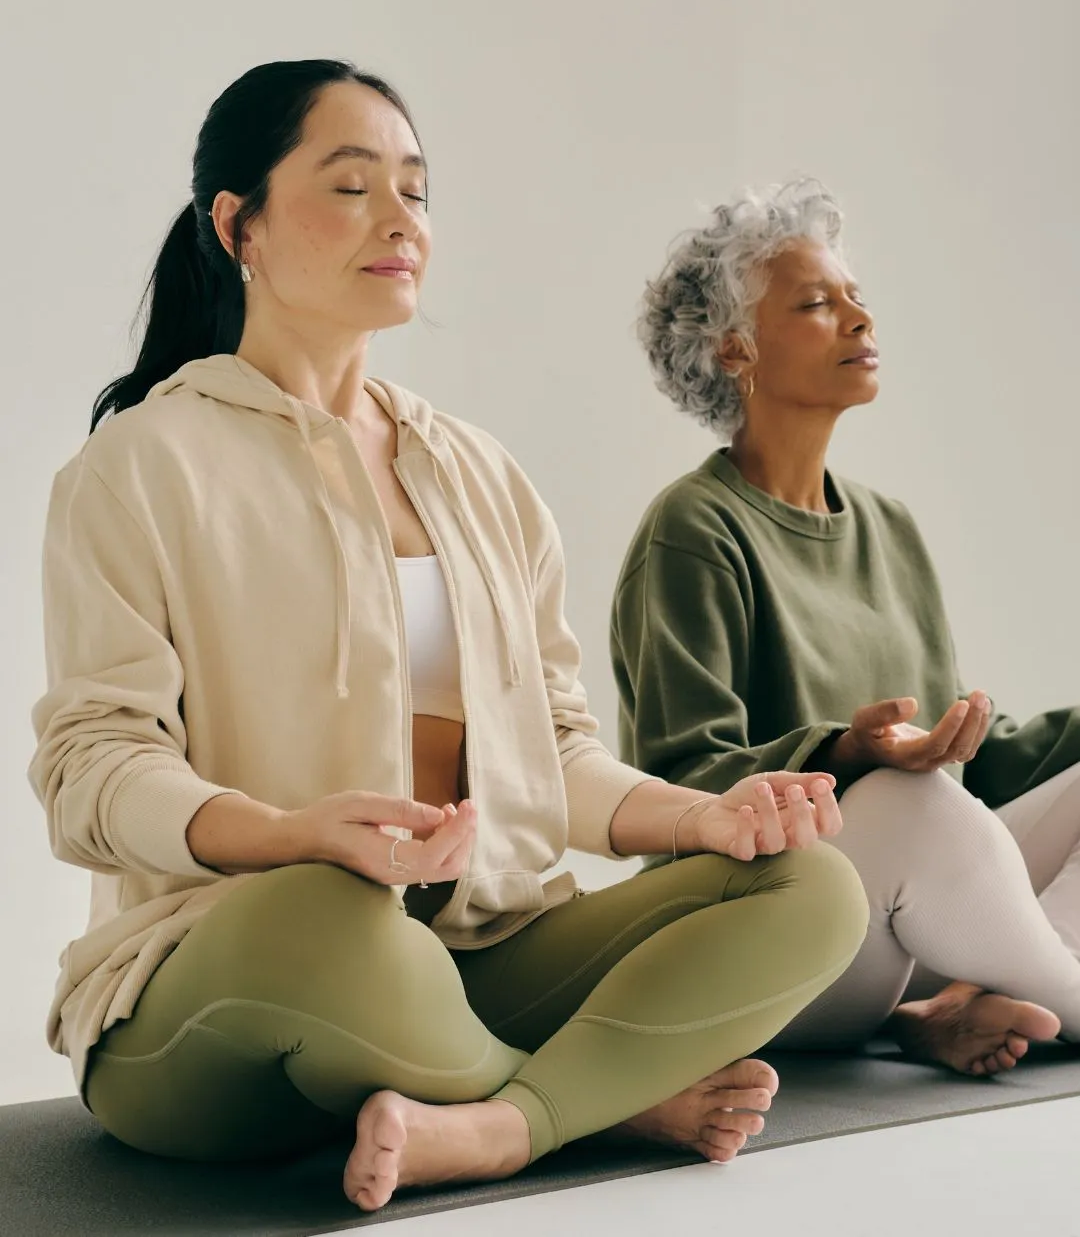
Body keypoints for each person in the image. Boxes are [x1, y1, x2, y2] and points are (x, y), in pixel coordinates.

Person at [28, 67, 869, 1214]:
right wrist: (284, 835)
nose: (398, 220)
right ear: (238, 226)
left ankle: (490, 1124)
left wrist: (704, 819)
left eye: (417, 193)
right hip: (224, 993)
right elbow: (93, 769)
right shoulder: (137, 469)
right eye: (352, 184)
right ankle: (591, 1105)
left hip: (477, 959)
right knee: (334, 911)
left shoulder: (477, 473)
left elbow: (557, 752)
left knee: (808, 884)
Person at [611, 178, 1080, 1079]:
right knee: (911, 804)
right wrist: (847, 753)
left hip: (911, 914)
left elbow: (966, 765)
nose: (861, 320)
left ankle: (952, 1004)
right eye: (819, 304)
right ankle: (1048, 996)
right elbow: (679, 784)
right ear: (735, 350)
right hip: (772, 932)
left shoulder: (890, 527)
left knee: (931, 800)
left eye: (856, 298)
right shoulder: (693, 529)